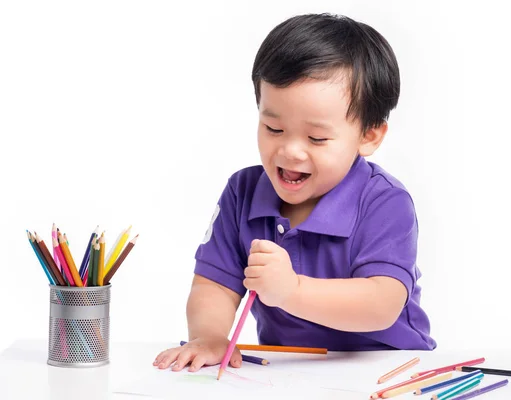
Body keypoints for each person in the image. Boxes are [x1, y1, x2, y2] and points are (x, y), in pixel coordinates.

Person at [154, 13, 436, 373]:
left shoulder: (384, 201)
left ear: (369, 136)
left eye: (316, 138)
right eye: (273, 128)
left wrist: (292, 290)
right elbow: (215, 282)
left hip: (387, 368)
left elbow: (382, 303)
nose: (290, 151)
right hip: (289, 371)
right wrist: (209, 335)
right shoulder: (243, 192)